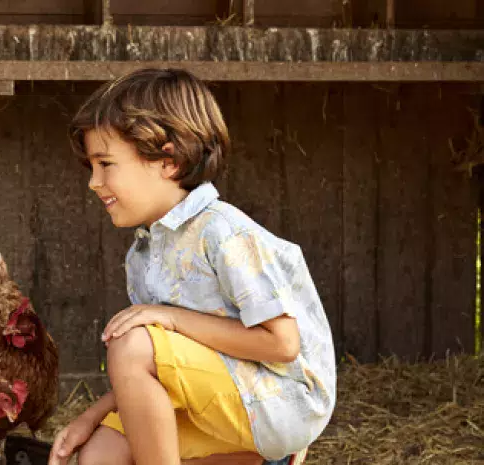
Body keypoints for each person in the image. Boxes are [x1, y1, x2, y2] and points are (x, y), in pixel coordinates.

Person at [49, 68, 336, 465]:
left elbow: (283, 345)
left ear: (168, 160)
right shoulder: (143, 255)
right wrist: (91, 417)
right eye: (92, 168)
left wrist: (168, 317)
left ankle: (274, 452)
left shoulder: (222, 232)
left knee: (131, 343)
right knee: (100, 454)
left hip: (278, 403)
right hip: (220, 401)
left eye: (106, 164)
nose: (94, 182)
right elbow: (160, 368)